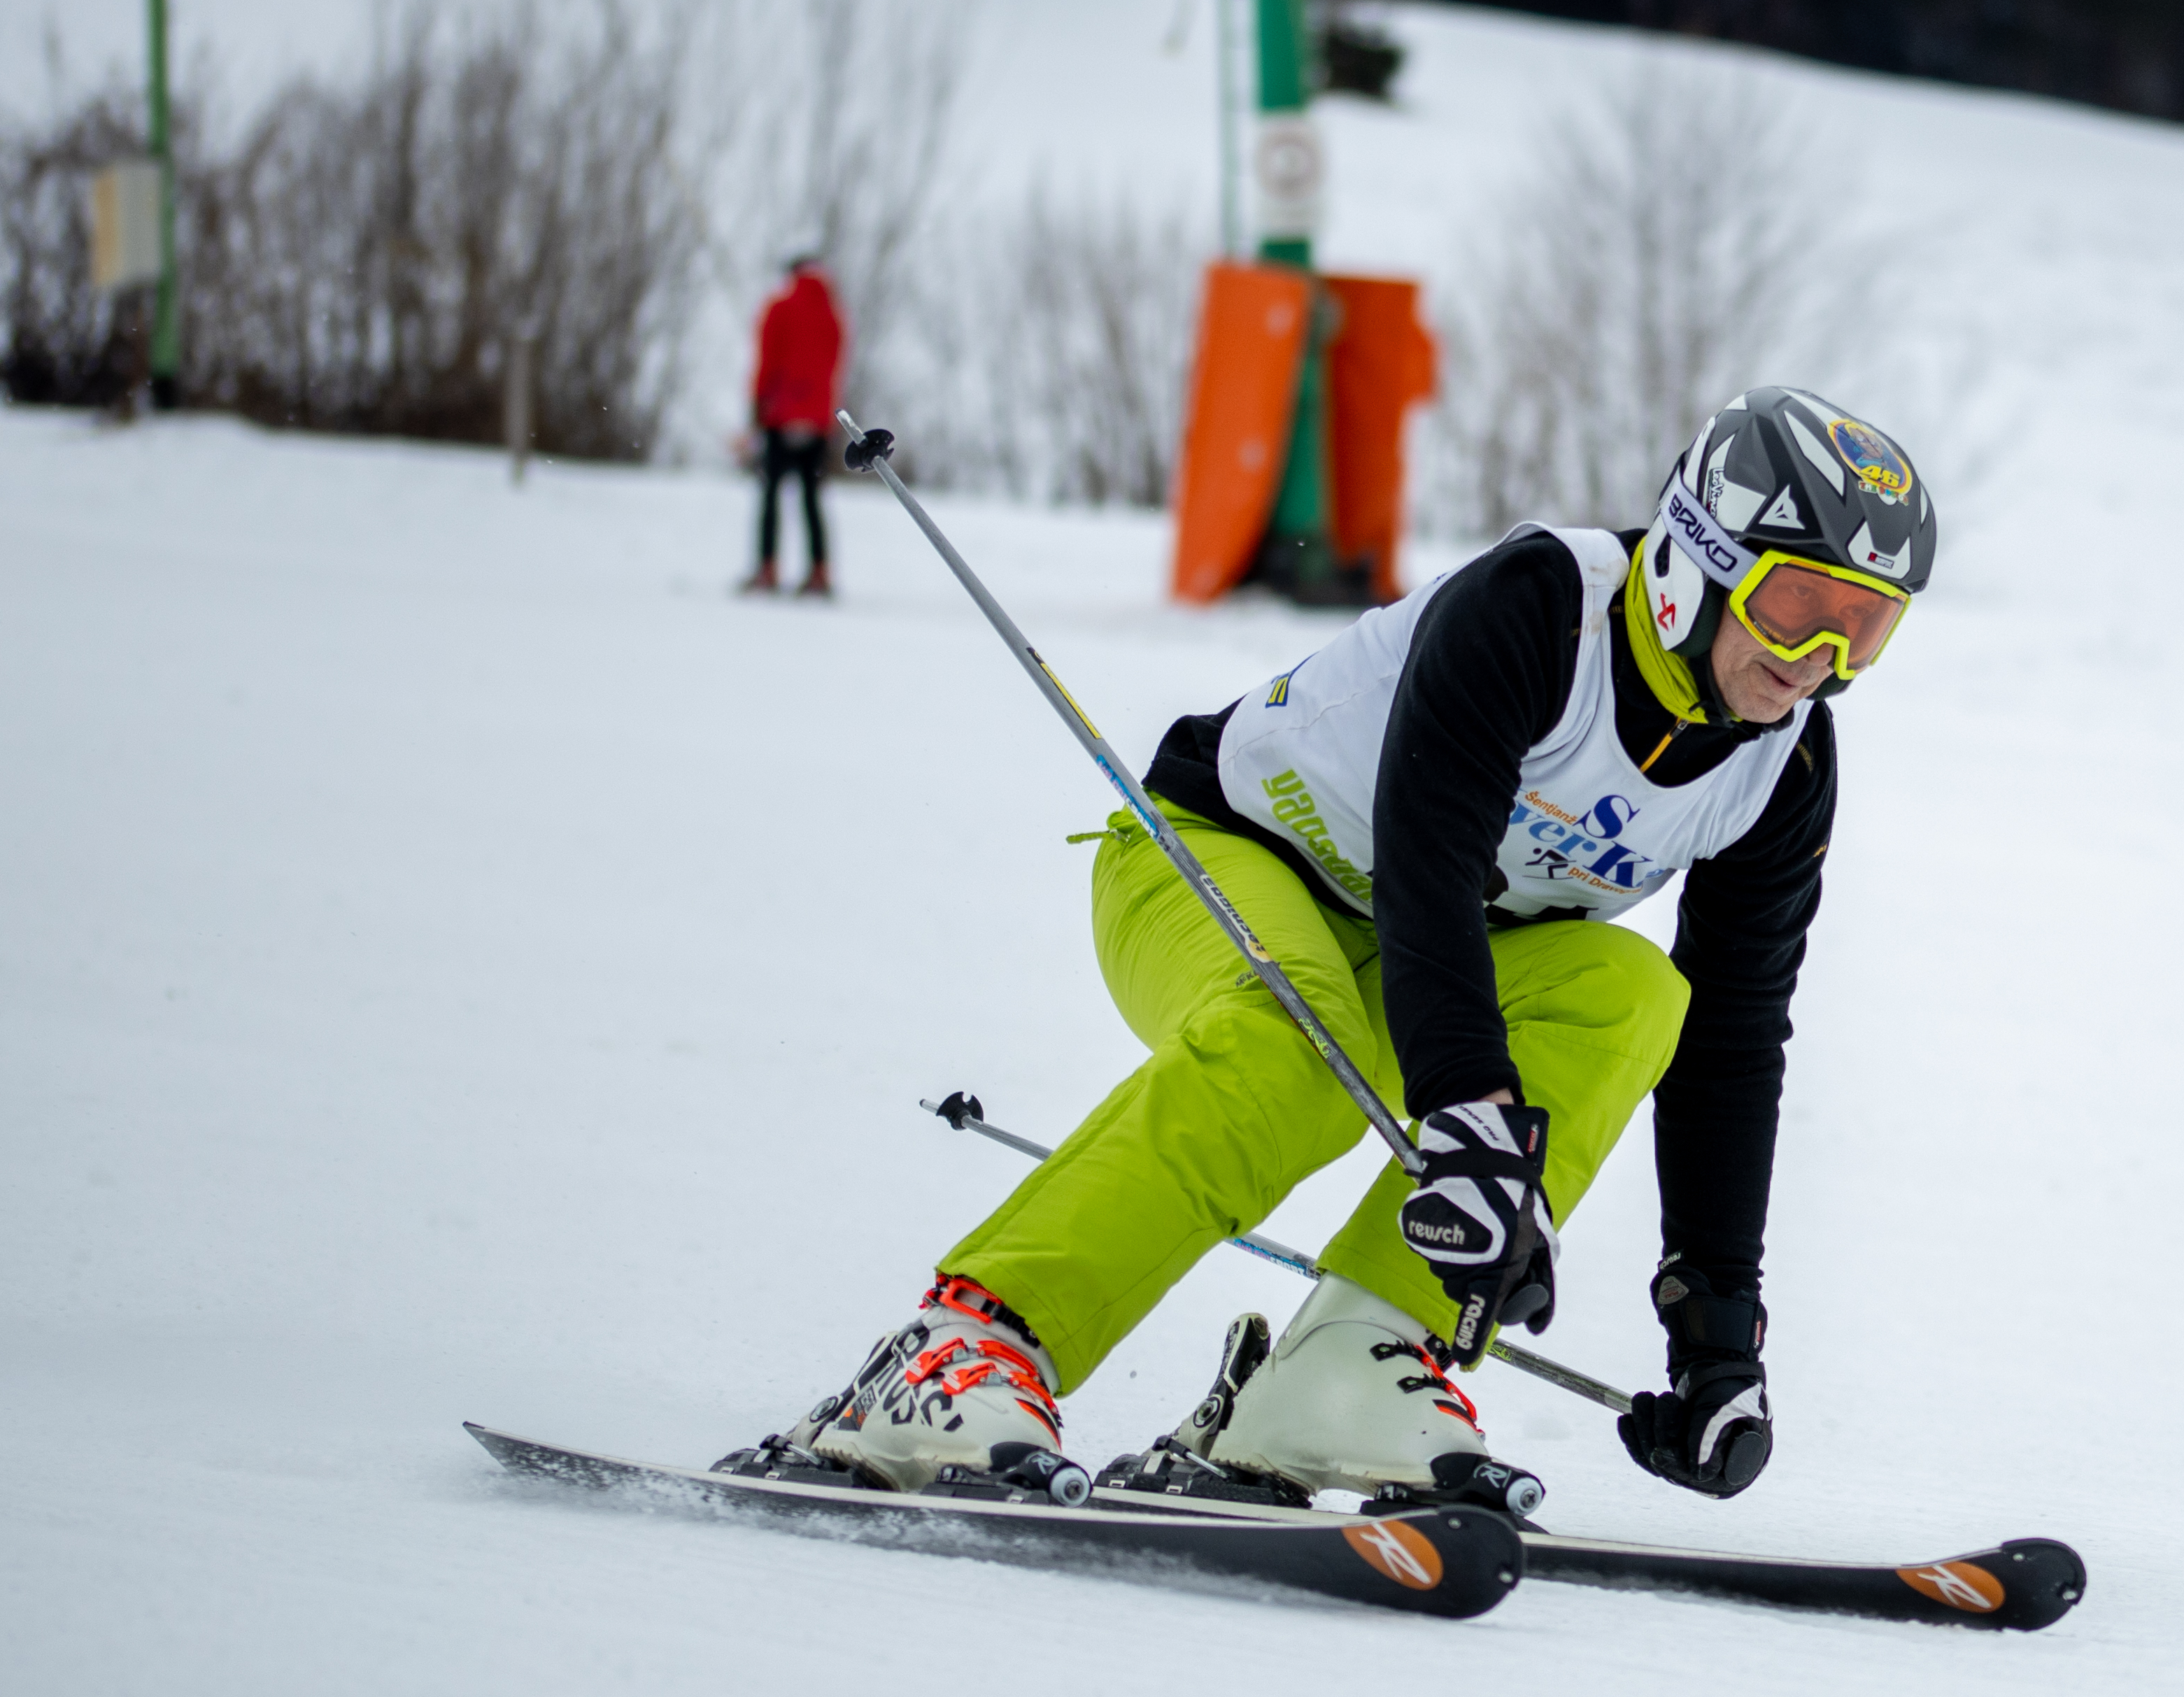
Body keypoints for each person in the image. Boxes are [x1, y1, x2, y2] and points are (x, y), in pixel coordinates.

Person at [785, 385, 1937, 1509]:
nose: (1817, 658)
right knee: (1295, 1042)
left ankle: (1341, 1365)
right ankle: (959, 1347)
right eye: (1797, 604)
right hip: (1210, 855)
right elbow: (1430, 851)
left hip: (1424, 958)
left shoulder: (1779, 769)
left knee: (1635, 993)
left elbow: (1733, 1043)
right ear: (1699, 554)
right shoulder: (1544, 608)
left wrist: (1715, 1332)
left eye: (1864, 628)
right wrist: (1472, 1112)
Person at [744, 254, 845, 598]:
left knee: (771, 493)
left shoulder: (779, 307)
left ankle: (767, 568)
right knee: (811, 498)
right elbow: (833, 366)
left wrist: (758, 404)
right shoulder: (833, 315)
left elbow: (767, 358)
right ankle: (819, 571)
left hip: (780, 416)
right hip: (817, 422)